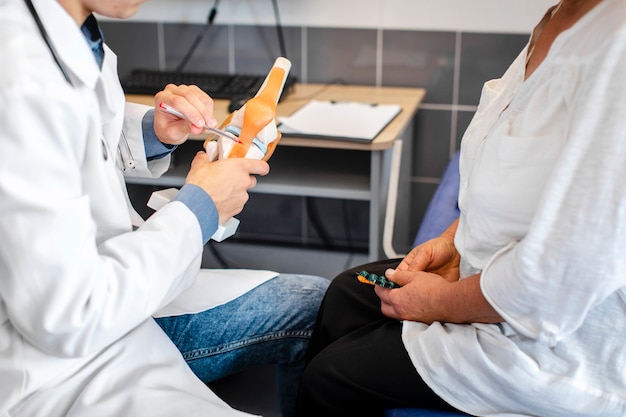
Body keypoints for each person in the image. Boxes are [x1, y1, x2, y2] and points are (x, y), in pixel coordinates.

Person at [293, 0, 626, 416]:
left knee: (330, 378)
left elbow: (556, 279)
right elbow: (518, 180)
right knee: (346, 293)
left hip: (560, 345)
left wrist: (441, 301)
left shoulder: (616, 46)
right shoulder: (561, 16)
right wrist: (455, 241)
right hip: (496, 279)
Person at [0, 1, 329, 417]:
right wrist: (199, 209)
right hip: (56, 367)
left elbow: (84, 141)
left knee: (317, 303)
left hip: (119, 296)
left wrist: (153, 131)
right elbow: (70, 315)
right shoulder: (20, 79)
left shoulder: (67, 31)